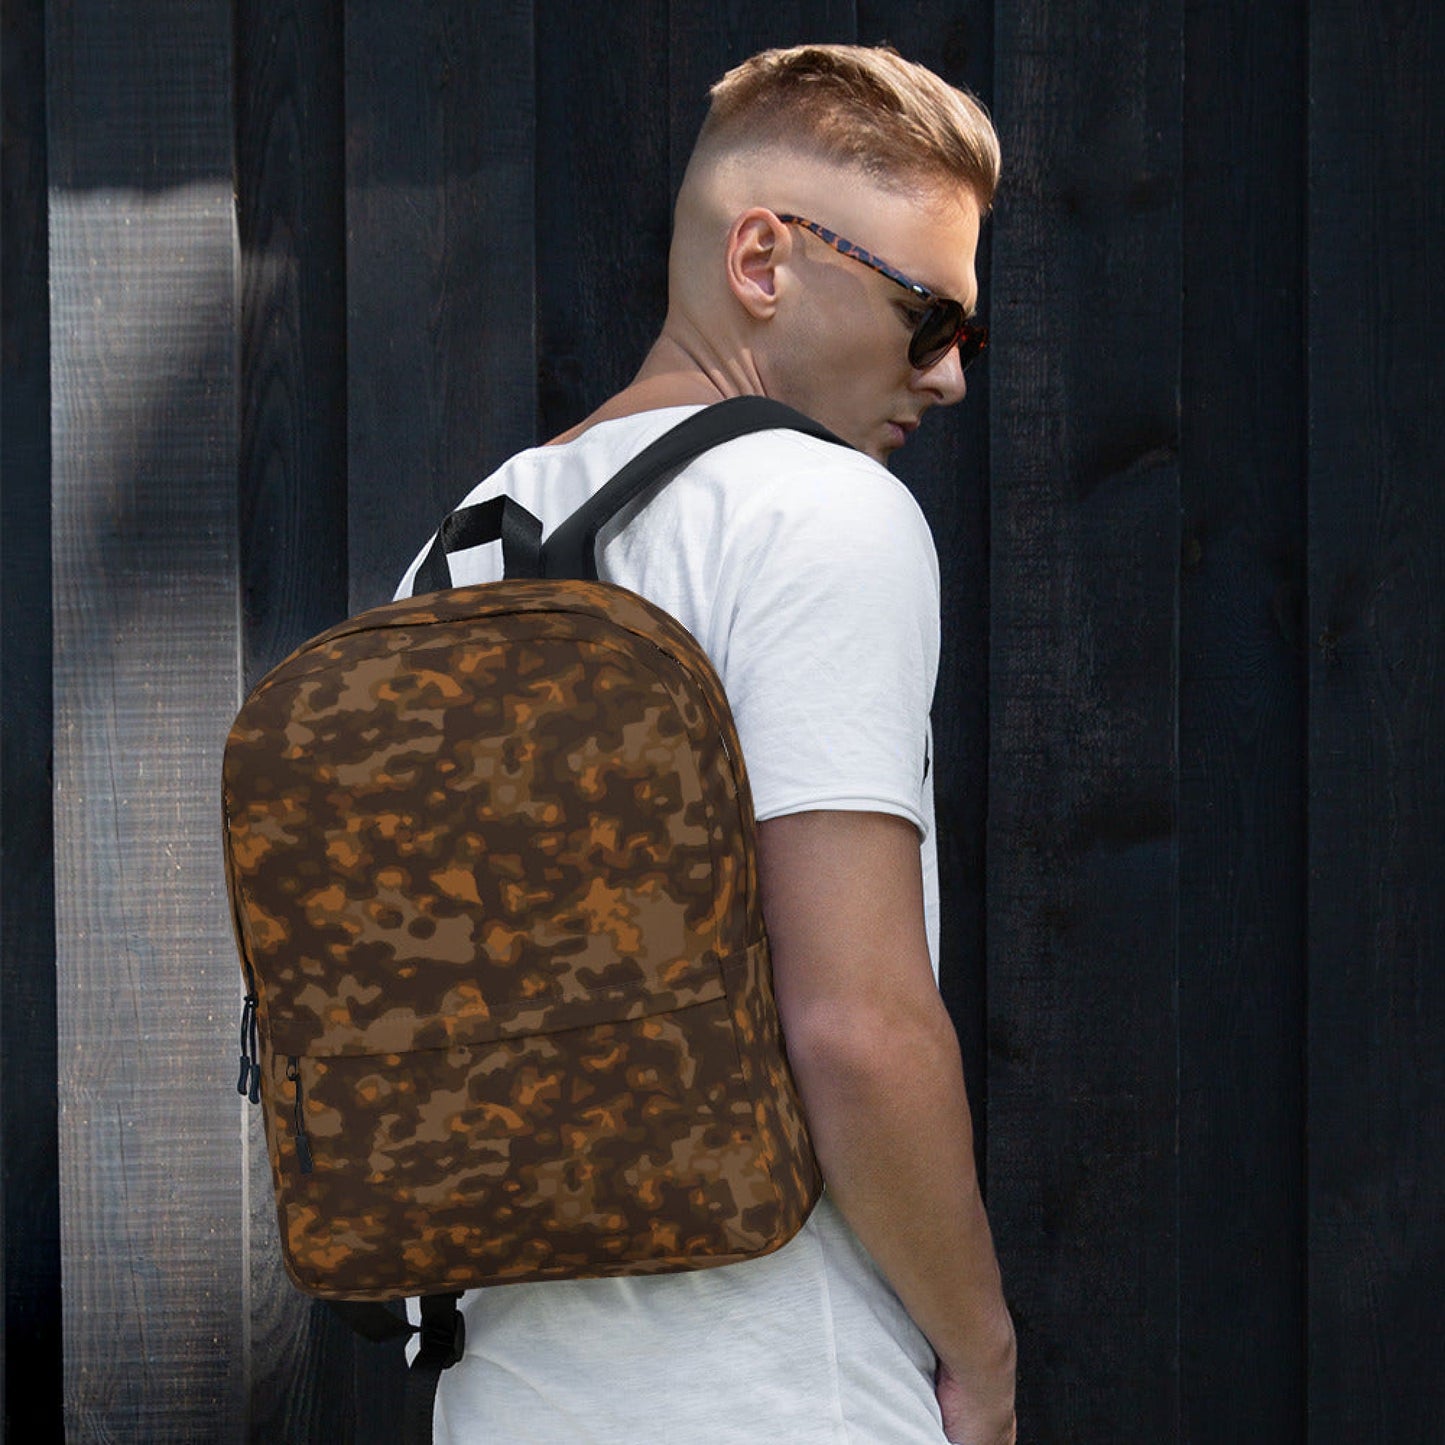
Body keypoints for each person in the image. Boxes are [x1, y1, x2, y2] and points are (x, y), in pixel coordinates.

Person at [398, 42, 1016, 1445]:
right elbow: (855, 1023)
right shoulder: (817, 509)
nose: (948, 377)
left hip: (504, 1396)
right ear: (762, 260)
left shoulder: (458, 548)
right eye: (929, 317)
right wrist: (983, 1355)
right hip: (780, 1390)